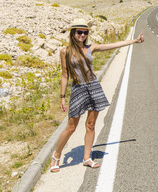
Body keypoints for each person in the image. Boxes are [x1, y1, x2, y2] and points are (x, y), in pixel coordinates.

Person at [50, 18, 144, 172]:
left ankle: (87, 158)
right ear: (73, 33)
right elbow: (65, 75)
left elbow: (113, 45)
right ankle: (57, 155)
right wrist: (62, 97)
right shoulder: (65, 51)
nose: (82, 35)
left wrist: (134, 41)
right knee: (71, 127)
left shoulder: (90, 48)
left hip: (94, 88)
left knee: (91, 125)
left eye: (85, 32)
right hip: (78, 89)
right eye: (79, 32)